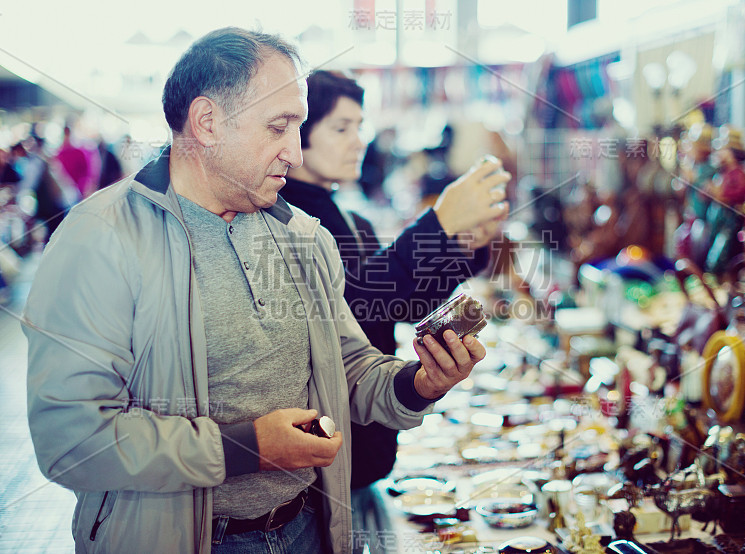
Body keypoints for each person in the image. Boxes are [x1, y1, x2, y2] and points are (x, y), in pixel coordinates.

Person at [23, 28, 486, 554]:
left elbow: (347, 368)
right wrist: (250, 448)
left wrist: (418, 383)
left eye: (299, 127)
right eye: (278, 127)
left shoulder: (302, 236)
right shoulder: (101, 239)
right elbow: (73, 441)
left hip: (309, 529)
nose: (295, 151)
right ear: (208, 122)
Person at [280, 70, 509, 553]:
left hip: (370, 431)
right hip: (328, 451)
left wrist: (467, 246)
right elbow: (359, 302)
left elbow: (398, 302)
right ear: (298, 131)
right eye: (341, 128)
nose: (358, 142)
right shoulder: (288, 221)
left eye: (360, 126)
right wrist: (441, 223)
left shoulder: (351, 217)